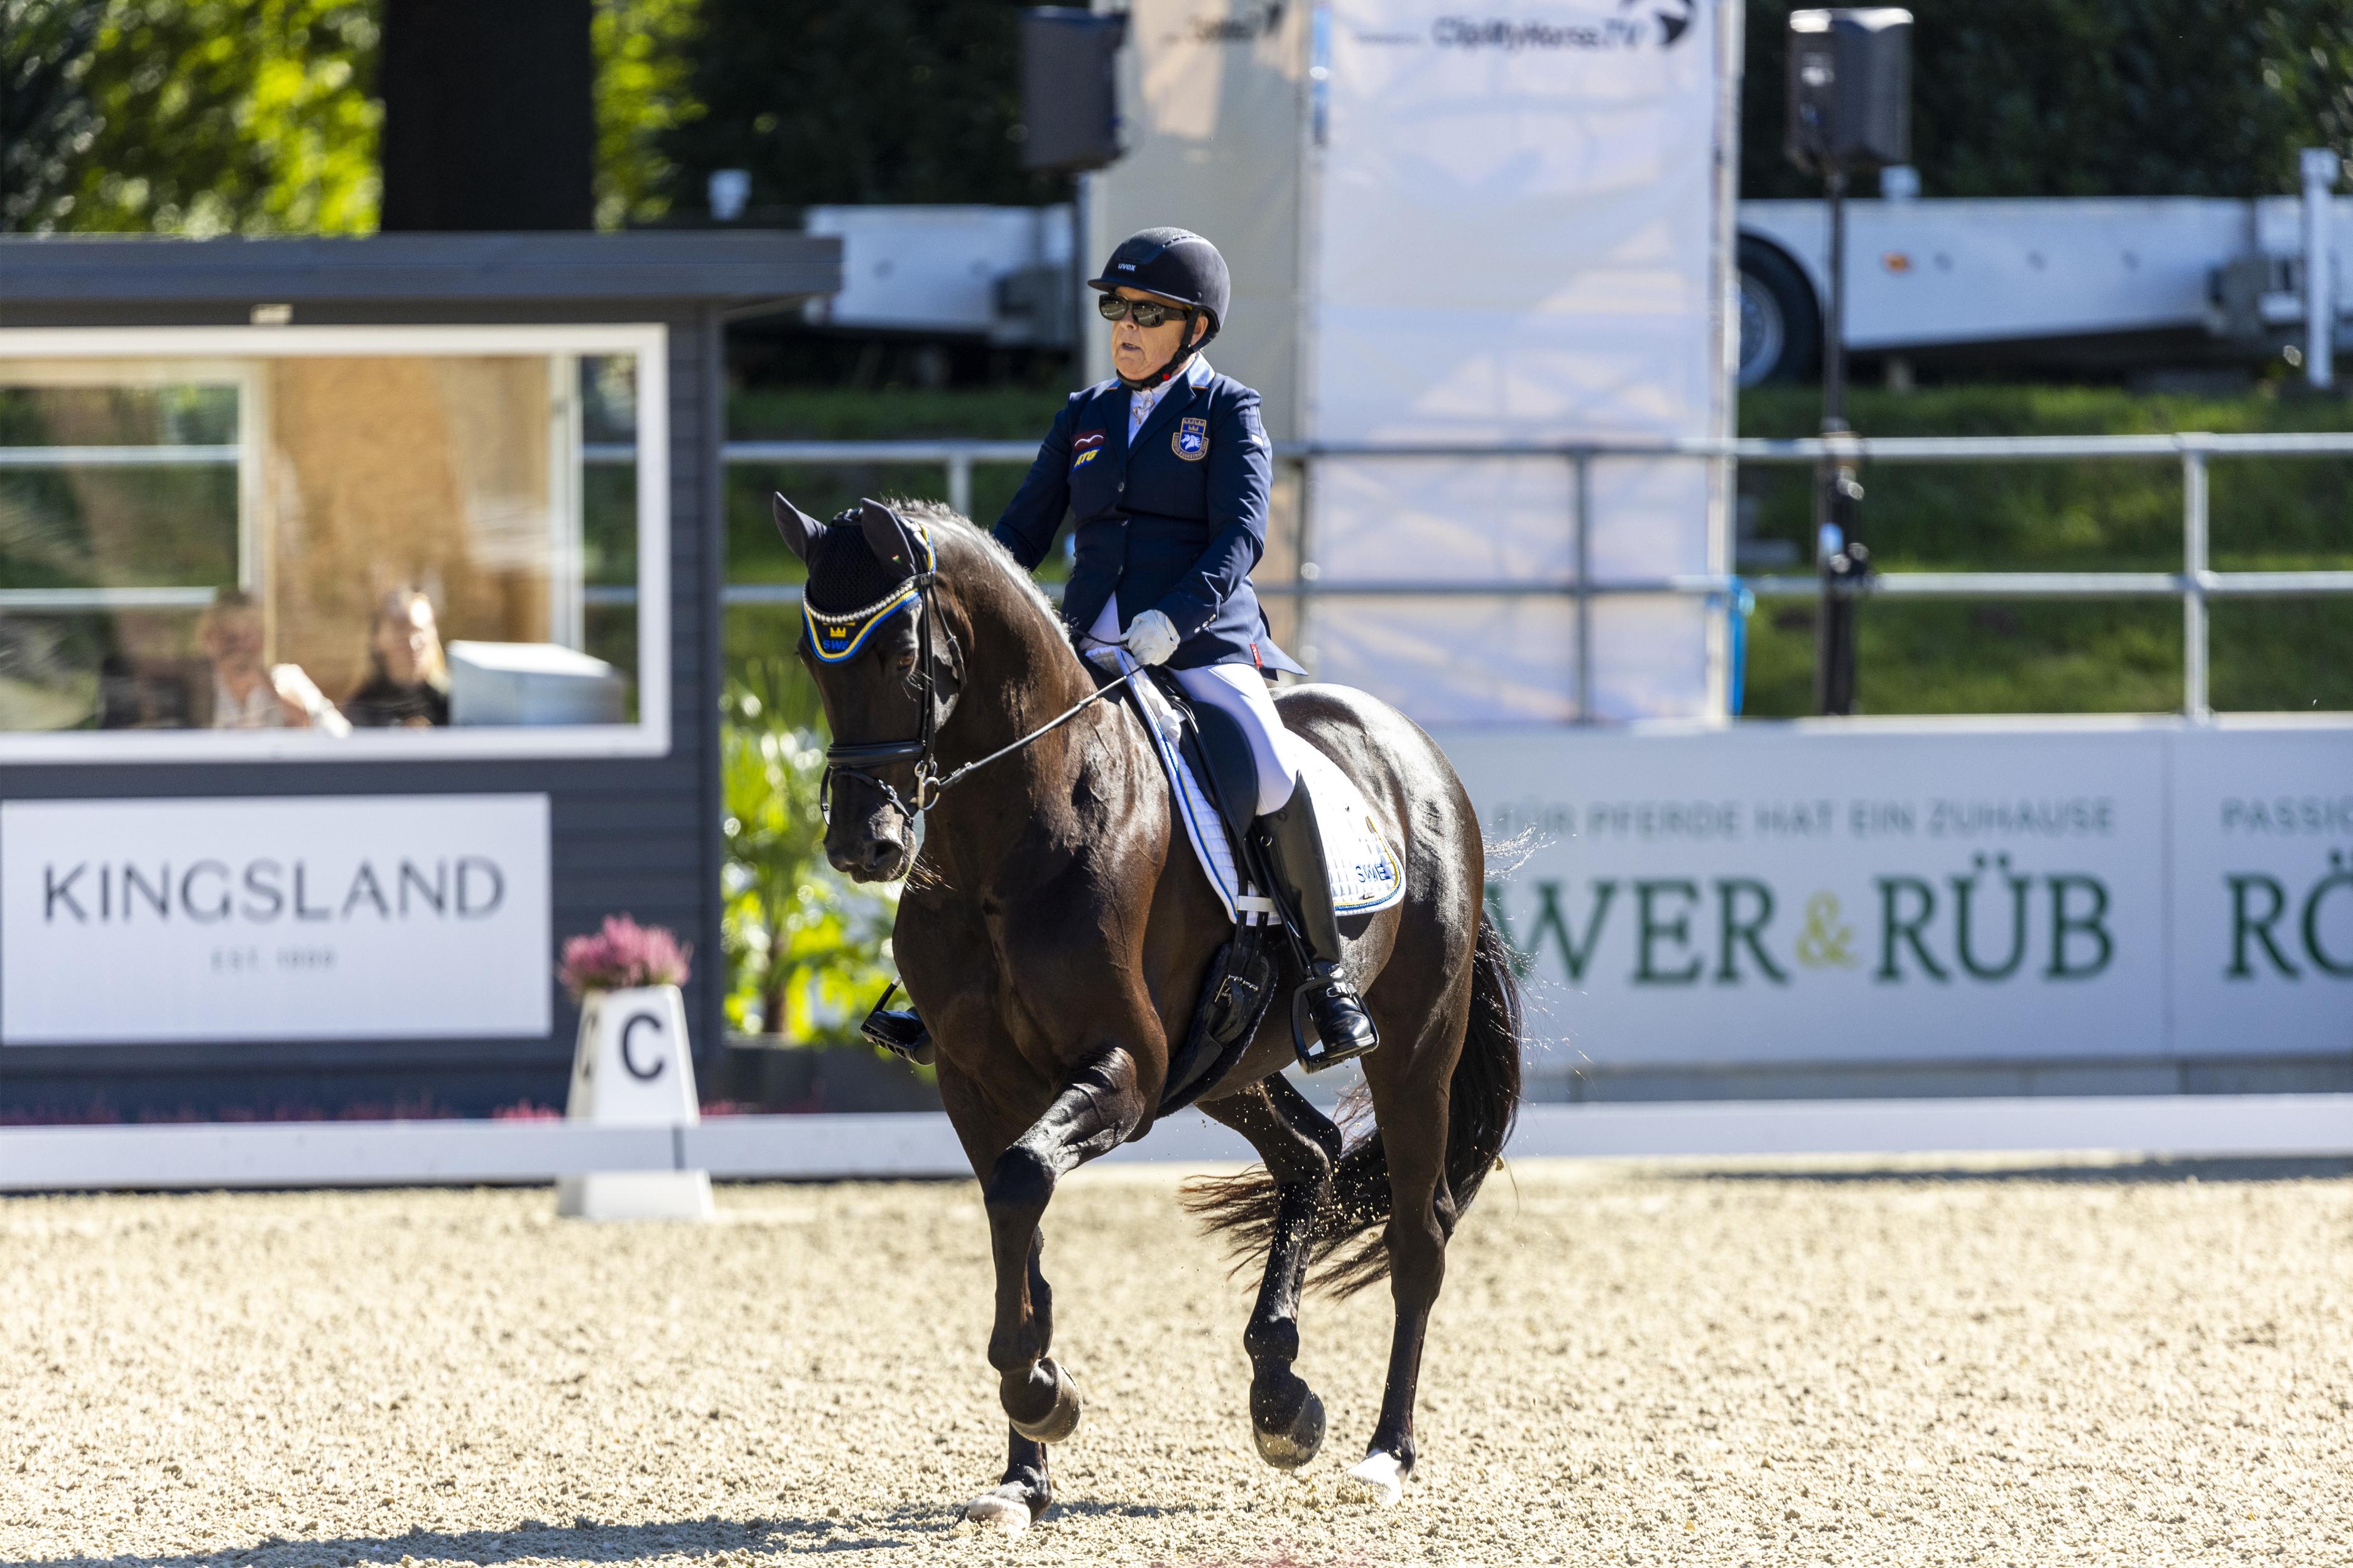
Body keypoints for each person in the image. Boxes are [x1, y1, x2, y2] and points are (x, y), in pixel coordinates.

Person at [871, 227, 1379, 1071]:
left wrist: (1175, 619)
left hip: (1198, 644)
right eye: (1117, 309)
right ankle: (943, 980)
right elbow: (1016, 538)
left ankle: (1326, 978)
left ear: (1196, 328)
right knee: (979, 767)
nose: (1126, 327)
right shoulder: (1086, 415)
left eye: (1149, 313)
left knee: (1264, 767)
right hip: (1088, 647)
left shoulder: (1228, 411)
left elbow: (1239, 537)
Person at [198, 588, 348, 735]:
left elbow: (337, 732)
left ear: (262, 639)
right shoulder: (200, 687)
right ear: (210, 639)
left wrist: (272, 689)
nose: (241, 647)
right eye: (231, 639)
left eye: (249, 637)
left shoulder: (287, 679)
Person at [342, 588, 451, 728]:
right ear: (378, 639)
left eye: (419, 631)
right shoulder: (365, 707)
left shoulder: (452, 701)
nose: (412, 644)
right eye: (401, 633)